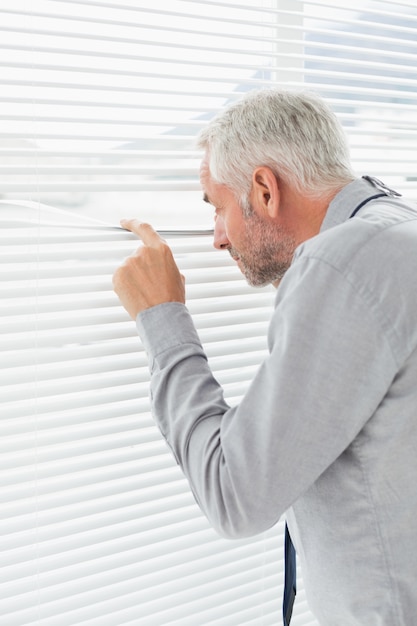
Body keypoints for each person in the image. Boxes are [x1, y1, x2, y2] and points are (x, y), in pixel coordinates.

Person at [112, 88, 417, 626]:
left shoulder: (341, 264)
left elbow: (235, 496)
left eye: (218, 208)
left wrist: (161, 318)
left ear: (264, 189)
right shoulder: (399, 227)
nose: (217, 239)